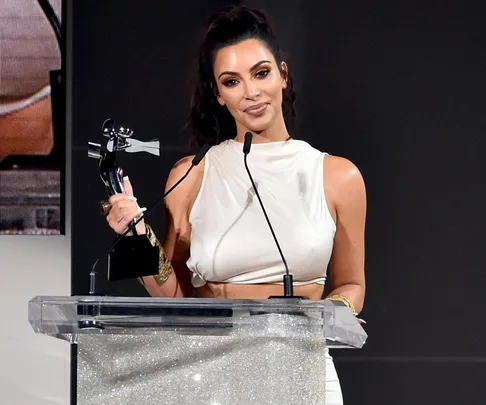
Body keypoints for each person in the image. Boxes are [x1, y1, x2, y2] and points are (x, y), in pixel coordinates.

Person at [106, 5, 366, 404]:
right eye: (232, 81)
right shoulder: (190, 175)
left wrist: (328, 314)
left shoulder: (337, 176)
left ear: (283, 73)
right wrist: (138, 238)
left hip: (301, 371)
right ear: (219, 94)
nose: (251, 92)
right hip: (212, 375)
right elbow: (175, 298)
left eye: (261, 73)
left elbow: (351, 283)